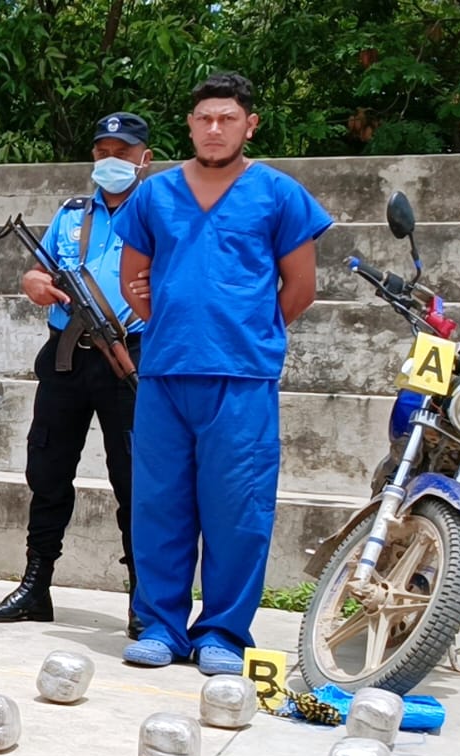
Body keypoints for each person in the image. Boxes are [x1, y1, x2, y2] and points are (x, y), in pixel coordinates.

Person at [114, 73, 332, 674]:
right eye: (205, 118)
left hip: (242, 377)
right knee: (159, 506)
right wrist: (180, 319)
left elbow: (302, 287)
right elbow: (136, 282)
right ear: (190, 125)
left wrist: (246, 328)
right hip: (164, 373)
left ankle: (222, 634)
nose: (215, 128)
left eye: (227, 118)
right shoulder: (155, 195)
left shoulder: (279, 194)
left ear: (249, 124)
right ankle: (160, 626)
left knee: (238, 510)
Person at [0, 112, 152, 639]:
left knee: (134, 479)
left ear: (144, 158)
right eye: (101, 152)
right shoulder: (74, 214)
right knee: (48, 470)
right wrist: (33, 282)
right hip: (66, 357)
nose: (109, 162)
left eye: (121, 153)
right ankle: (36, 585)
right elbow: (39, 269)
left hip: (129, 354)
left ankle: (145, 598)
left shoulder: (159, 215)